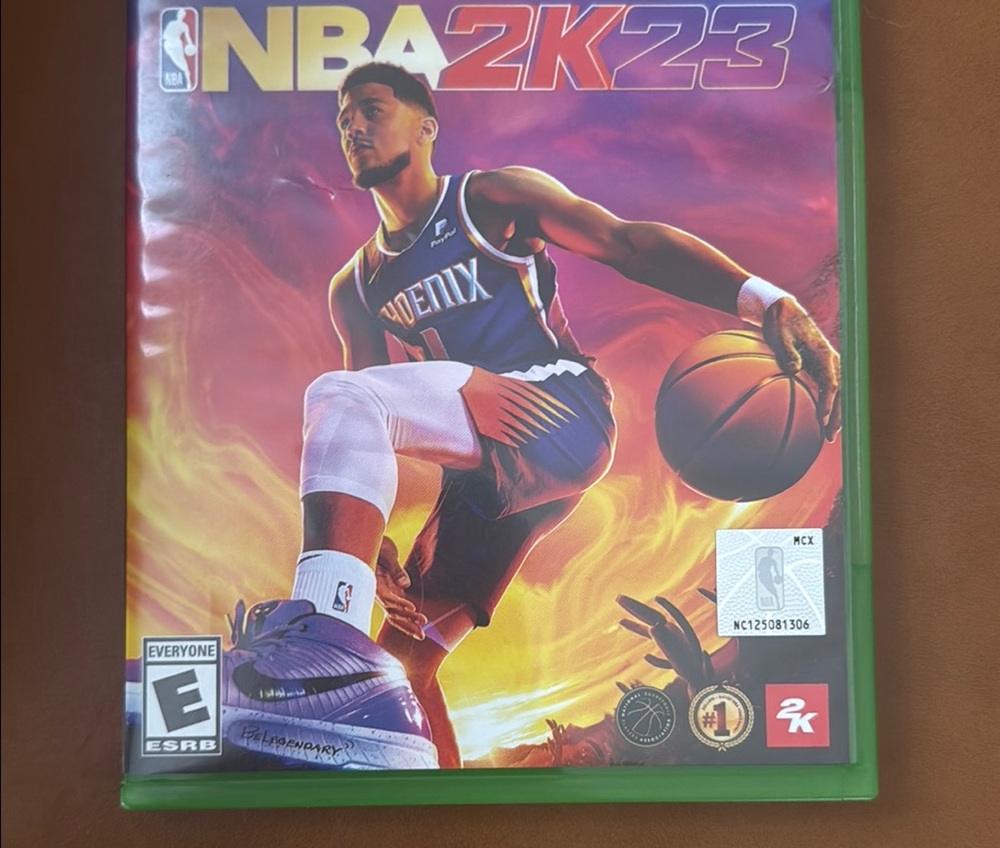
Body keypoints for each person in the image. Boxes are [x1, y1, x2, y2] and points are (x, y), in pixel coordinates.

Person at [221, 62, 841, 771]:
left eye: (371, 109)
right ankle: (426, 795)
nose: (353, 127)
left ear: (426, 128)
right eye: (342, 119)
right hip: (485, 481)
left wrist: (766, 299)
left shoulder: (489, 199)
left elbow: (628, 243)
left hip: (560, 415)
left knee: (335, 394)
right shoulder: (355, 286)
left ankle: (316, 652)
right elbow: (373, 417)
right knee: (404, 665)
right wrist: (371, 545)